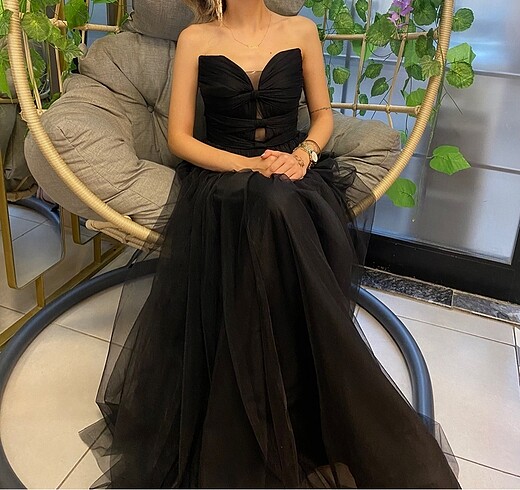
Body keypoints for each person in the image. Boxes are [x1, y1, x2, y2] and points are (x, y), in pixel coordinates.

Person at [82, 0, 460, 487]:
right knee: (272, 205)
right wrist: (249, 165)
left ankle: (298, 394)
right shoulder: (196, 38)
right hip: (223, 176)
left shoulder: (301, 30)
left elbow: (322, 116)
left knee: (279, 204)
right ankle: (270, 401)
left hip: (293, 171)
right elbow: (180, 139)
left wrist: (303, 155)